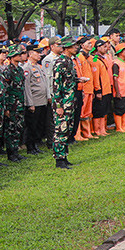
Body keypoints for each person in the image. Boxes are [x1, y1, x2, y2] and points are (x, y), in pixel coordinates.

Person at [50, 37, 79, 169]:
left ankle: (64, 156)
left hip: (70, 101)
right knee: (60, 130)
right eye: (73, 46)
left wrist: (78, 80)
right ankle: (59, 160)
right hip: (63, 103)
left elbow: (68, 81)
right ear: (67, 48)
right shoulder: (60, 62)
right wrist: (59, 106)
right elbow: (56, 86)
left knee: (67, 130)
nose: (76, 48)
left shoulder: (69, 61)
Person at [22, 46, 51, 155]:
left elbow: (45, 83)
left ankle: (35, 145)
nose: (39, 55)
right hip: (34, 101)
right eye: (37, 53)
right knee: (31, 126)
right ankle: (30, 147)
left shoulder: (39, 67)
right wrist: (30, 103)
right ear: (30, 54)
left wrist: (48, 96)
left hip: (42, 101)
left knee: (39, 125)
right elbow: (27, 87)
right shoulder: (27, 68)